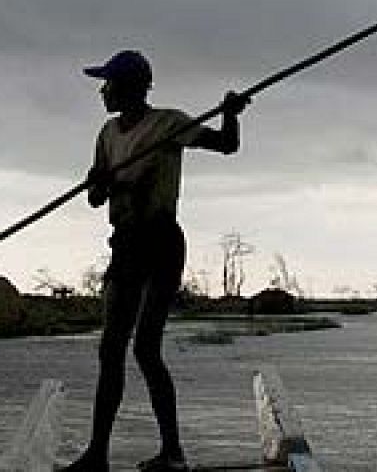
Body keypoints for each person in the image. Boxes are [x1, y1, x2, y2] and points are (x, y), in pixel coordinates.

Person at [60, 50, 249, 472]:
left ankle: (173, 452)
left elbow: (227, 145)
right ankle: (97, 455)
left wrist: (232, 113)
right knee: (111, 349)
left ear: (128, 87)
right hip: (125, 246)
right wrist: (99, 182)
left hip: (161, 243)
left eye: (107, 83)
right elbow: (95, 198)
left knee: (145, 348)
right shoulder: (108, 134)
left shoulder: (170, 124)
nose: (102, 91)